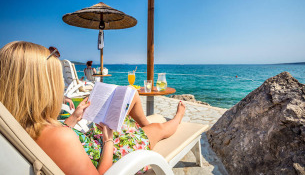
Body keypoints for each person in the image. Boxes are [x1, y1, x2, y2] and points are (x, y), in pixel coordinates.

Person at [0, 41, 185, 174]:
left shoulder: (16, 127)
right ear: (44, 89)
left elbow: (55, 145)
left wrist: (72, 120)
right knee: (157, 128)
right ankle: (177, 119)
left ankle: (143, 124)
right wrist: (108, 141)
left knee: (131, 98)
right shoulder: (60, 138)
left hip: (92, 145)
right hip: (111, 155)